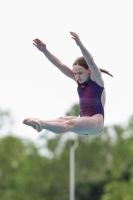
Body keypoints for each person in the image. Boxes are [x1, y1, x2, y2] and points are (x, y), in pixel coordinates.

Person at [23, 32, 113, 136]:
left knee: (70, 123)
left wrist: (80, 44)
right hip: (82, 120)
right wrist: (45, 50)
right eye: (75, 73)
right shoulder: (79, 81)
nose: (77, 76)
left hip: (95, 123)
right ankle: (39, 124)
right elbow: (59, 64)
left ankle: (42, 124)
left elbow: (91, 61)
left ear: (89, 70)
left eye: (80, 73)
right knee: (61, 119)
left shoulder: (97, 80)